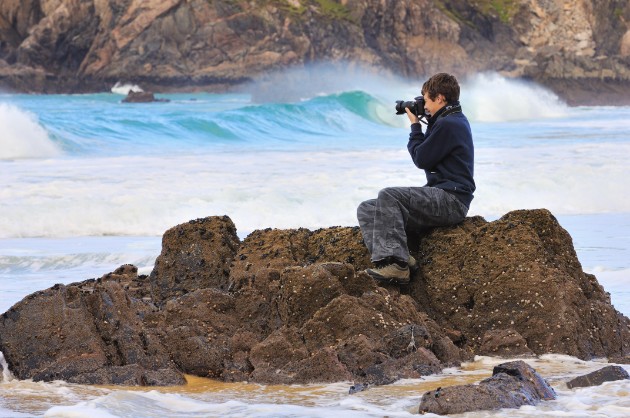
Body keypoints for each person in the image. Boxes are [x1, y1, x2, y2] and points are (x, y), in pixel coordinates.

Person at [357, 72, 475, 285]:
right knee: (367, 208)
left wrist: (415, 127)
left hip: (451, 201)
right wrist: (428, 121)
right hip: (443, 196)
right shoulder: (447, 121)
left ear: (440, 98)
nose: (425, 106)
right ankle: (401, 255)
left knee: (389, 195)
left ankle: (396, 265)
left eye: (427, 100)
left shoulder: (449, 124)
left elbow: (421, 158)